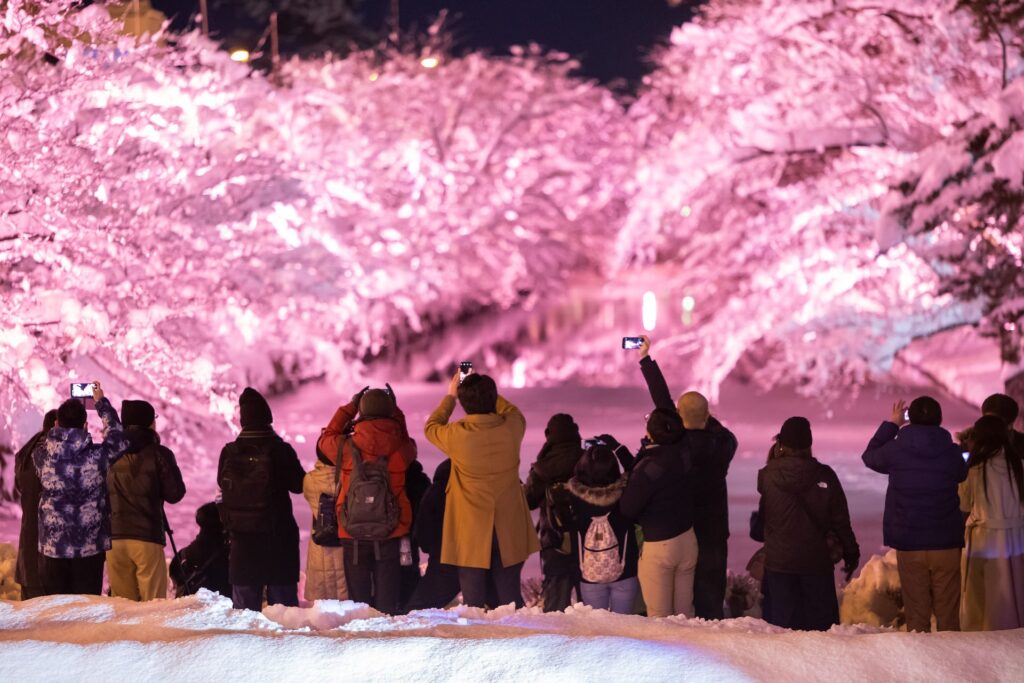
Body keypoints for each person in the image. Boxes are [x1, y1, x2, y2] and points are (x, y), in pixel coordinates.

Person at [636, 336, 738, 619]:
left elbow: (664, 403)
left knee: (681, 601)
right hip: (715, 529)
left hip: (682, 529)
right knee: (710, 597)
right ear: (708, 417)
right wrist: (703, 417)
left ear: (679, 418)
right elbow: (701, 420)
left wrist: (646, 361)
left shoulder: (678, 448)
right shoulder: (725, 444)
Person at [424, 371, 539, 609]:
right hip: (508, 526)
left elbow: (432, 426)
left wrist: (451, 396)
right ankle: (517, 642)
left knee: (473, 603)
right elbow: (512, 412)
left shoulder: (457, 435)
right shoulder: (512, 428)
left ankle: (478, 642)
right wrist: (487, 393)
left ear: (464, 404)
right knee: (509, 600)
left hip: (471, 531)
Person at [862, 397, 968, 632]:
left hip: (910, 542)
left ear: (910, 418)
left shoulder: (896, 449)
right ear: (939, 419)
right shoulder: (951, 452)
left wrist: (892, 425)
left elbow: (869, 456)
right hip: (946, 542)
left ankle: (922, 664)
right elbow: (962, 472)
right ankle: (952, 664)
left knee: (917, 616)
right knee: (948, 614)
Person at [317, 385, 417, 615]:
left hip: (352, 531)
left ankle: (363, 639)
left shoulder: (345, 446)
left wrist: (349, 408)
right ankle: (387, 640)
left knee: (359, 604)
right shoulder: (401, 448)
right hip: (391, 530)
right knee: (388, 601)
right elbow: (406, 438)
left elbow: (325, 438)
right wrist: (396, 411)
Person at [754, 418, 859, 631]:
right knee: (821, 629)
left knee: (783, 629)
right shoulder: (825, 475)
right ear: (809, 444)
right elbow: (840, 520)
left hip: (779, 563)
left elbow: (766, 519)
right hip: (816, 561)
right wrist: (851, 553)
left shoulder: (767, 475)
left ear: (781, 444)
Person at [34, 382, 131, 596]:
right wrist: (101, 403)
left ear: (56, 424)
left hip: (53, 546)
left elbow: (47, 441)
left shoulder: (42, 456)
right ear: (86, 426)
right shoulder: (97, 458)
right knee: (86, 612)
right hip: (89, 547)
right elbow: (119, 440)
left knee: (55, 611)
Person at [217, 387, 305, 612]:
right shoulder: (280, 450)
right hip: (277, 540)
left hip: (242, 543)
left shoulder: (229, 452)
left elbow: (222, 485)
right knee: (284, 616)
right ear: (268, 418)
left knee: (245, 617)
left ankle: (246, 647)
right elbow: (299, 484)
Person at [619, 407, 697, 618]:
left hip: (660, 543)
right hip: (687, 538)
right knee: (684, 615)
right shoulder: (684, 453)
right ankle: (692, 650)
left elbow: (628, 508)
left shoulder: (648, 468)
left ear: (650, 432)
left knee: (660, 617)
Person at [106, 400, 186, 601]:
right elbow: (175, 494)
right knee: (153, 605)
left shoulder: (108, 453)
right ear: (150, 423)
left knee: (123, 607)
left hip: (114, 537)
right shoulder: (159, 454)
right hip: (147, 537)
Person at [959, 415, 1024, 630]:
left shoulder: (975, 468)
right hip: (1017, 537)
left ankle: (985, 635)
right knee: (1015, 588)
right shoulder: (1018, 464)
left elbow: (964, 504)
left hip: (983, 538)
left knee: (985, 596)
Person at [561, 441, 639, 614]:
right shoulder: (627, 492)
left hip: (589, 574)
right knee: (624, 629)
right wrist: (618, 448)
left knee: (598, 630)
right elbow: (637, 470)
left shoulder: (574, 498)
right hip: (625, 573)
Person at [524, 414, 583, 612]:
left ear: (549, 435)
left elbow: (528, 501)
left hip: (554, 541)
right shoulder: (587, 460)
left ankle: (557, 642)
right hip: (588, 541)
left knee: (556, 603)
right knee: (591, 607)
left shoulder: (542, 468)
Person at [405, 460, 462, 611]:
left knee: (420, 606)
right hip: (476, 555)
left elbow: (424, 526)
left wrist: (430, 548)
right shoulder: (472, 490)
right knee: (502, 602)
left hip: (442, 555)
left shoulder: (435, 491)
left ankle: (406, 629)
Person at [14, 409, 57, 600]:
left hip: (29, 552)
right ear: (56, 426)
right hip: (46, 554)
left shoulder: (26, 452)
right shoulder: (50, 455)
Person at [301, 451, 348, 603]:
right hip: (345, 539)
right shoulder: (348, 477)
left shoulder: (310, 479)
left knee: (322, 601)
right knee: (346, 592)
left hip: (321, 540)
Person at [169, 501, 231, 598]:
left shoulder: (186, 553)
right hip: (225, 601)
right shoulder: (229, 550)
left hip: (197, 600)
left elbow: (175, 574)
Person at [401, 459, 432, 609]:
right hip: (411, 535)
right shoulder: (422, 480)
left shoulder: (392, 477)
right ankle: (408, 605)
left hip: (392, 533)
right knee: (410, 570)